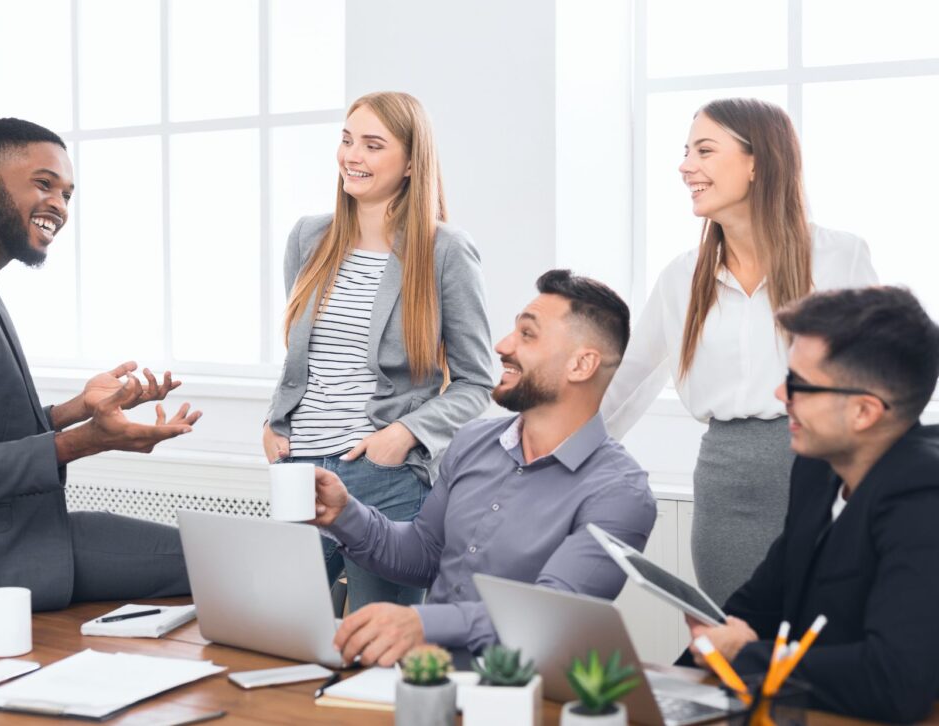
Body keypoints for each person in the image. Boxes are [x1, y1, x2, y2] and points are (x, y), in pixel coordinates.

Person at [0, 118, 201, 618]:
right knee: (226, 558)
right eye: (44, 184)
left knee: (219, 552)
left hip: (11, 530)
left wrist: (74, 411)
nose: (59, 207)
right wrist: (89, 440)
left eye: (68, 195)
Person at [602, 98, 878, 605]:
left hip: (824, 478)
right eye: (686, 152)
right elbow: (627, 385)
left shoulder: (840, 257)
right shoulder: (682, 278)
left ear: (758, 161)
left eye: (704, 150)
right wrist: (557, 458)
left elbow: (882, 379)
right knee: (737, 645)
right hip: (726, 489)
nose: (686, 166)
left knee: (820, 646)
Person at [311, 270, 657, 665]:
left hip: (522, 697)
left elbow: (552, 614)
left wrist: (422, 622)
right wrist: (343, 514)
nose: (502, 346)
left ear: (581, 364)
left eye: (527, 335)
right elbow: (424, 554)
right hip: (427, 679)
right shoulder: (473, 442)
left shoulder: (620, 493)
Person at [263, 92, 493, 611]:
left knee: (379, 653)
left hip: (382, 477)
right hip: (298, 471)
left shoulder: (445, 250)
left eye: (372, 145)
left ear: (412, 162)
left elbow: (479, 380)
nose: (353, 156)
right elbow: (304, 357)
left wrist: (404, 434)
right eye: (347, 141)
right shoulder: (308, 238)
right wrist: (275, 422)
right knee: (281, 632)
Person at [687, 286, 939, 723]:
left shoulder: (924, 496)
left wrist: (747, 653)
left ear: (864, 411)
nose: (781, 395)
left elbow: (896, 680)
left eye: (799, 384)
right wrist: (675, 682)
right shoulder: (817, 471)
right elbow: (756, 606)